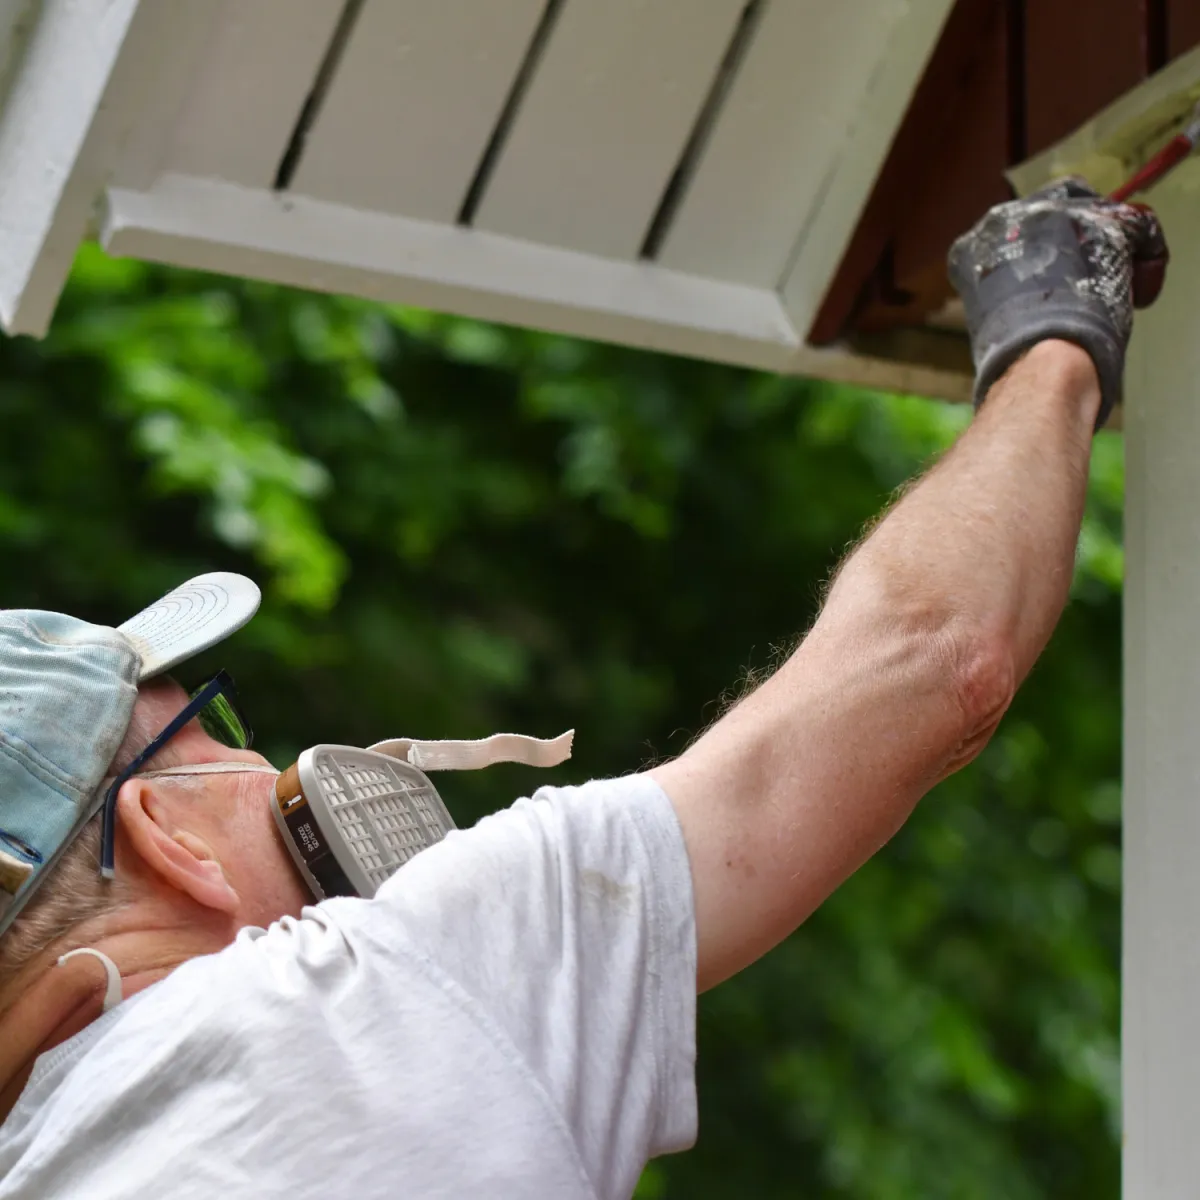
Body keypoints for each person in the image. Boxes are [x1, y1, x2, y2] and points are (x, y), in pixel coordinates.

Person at [0, 180, 1168, 1199]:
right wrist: (1052, 325)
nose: (266, 767)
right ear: (165, 833)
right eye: (216, 731)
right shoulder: (354, 1000)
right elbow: (935, 655)